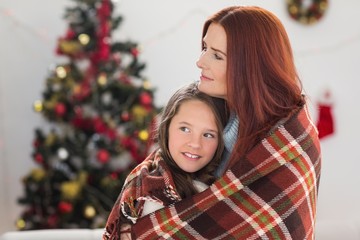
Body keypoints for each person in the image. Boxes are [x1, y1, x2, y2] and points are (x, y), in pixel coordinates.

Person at [130, 6, 321, 240]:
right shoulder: (211, 113)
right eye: (204, 48)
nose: (200, 61)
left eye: (217, 55)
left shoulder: (288, 142)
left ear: (250, 66)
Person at [103, 82, 226, 239]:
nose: (195, 143)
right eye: (185, 129)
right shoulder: (149, 194)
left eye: (208, 134)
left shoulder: (222, 185)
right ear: (166, 128)